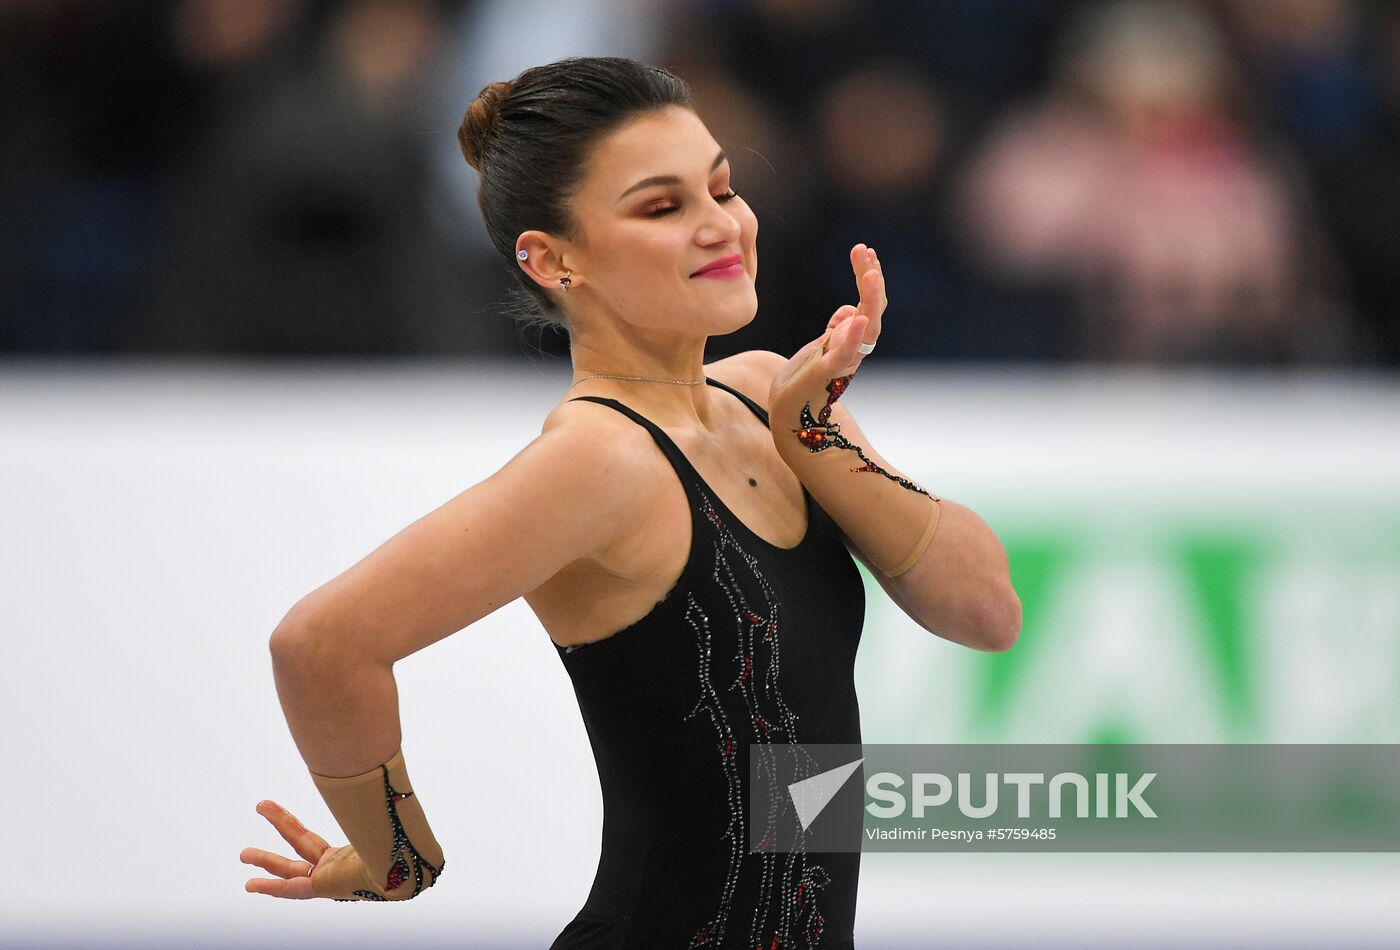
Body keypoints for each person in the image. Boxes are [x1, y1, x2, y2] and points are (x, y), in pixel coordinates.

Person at [238, 56, 1021, 949]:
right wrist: (397, 860)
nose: (719, 226)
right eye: (663, 207)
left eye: (722, 190)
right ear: (552, 258)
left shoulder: (769, 397)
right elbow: (322, 643)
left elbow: (985, 610)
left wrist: (812, 430)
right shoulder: (596, 461)